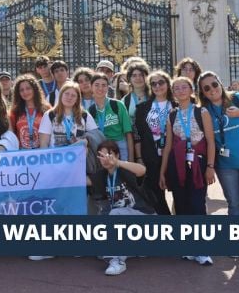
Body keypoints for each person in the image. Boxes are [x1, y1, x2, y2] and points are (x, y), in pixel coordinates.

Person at [159, 76, 216, 265]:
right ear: (173, 93)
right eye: (177, 88)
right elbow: (168, 146)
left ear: (191, 90)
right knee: (181, 204)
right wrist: (163, 171)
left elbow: (210, 141)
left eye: (184, 87)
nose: (181, 90)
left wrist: (210, 166)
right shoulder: (172, 115)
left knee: (197, 204)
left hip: (198, 164)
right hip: (178, 164)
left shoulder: (202, 112)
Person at [197, 71, 239, 216]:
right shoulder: (204, 110)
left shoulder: (237, 97)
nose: (212, 89)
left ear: (220, 83)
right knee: (234, 204)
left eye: (214, 84)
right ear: (203, 92)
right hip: (225, 165)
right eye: (206, 88)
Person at [93, 140, 155, 276]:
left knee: (116, 213)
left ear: (117, 155)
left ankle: (118, 261)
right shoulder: (100, 176)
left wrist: (118, 163)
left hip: (144, 216)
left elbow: (142, 170)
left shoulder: (125, 170)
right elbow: (103, 207)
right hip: (125, 222)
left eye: (109, 154)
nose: (106, 159)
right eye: (101, 155)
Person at [133, 70, 174, 215]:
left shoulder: (177, 105)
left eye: (161, 82)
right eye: (154, 84)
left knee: (180, 194)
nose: (157, 86)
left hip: (174, 155)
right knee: (157, 196)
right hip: (151, 155)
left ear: (168, 84)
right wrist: (139, 158)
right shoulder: (143, 108)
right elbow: (138, 135)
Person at [88, 74, 133, 161]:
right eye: (96, 85)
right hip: (101, 148)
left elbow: (128, 133)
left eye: (104, 85)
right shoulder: (90, 111)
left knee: (122, 173)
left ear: (108, 87)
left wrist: (131, 158)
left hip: (120, 147)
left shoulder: (118, 105)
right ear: (91, 87)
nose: (100, 88)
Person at [39, 81, 97, 148]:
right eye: (67, 94)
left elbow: (94, 135)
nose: (69, 97)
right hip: (55, 157)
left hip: (78, 157)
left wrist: (86, 141)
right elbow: (44, 143)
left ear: (77, 99)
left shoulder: (84, 115)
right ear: (61, 95)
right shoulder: (49, 115)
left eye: (73, 95)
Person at [9, 74, 50, 150]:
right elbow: (11, 135)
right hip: (22, 155)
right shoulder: (15, 111)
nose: (25, 92)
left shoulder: (46, 109)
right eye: (21, 90)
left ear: (35, 89)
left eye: (28, 88)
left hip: (42, 153)